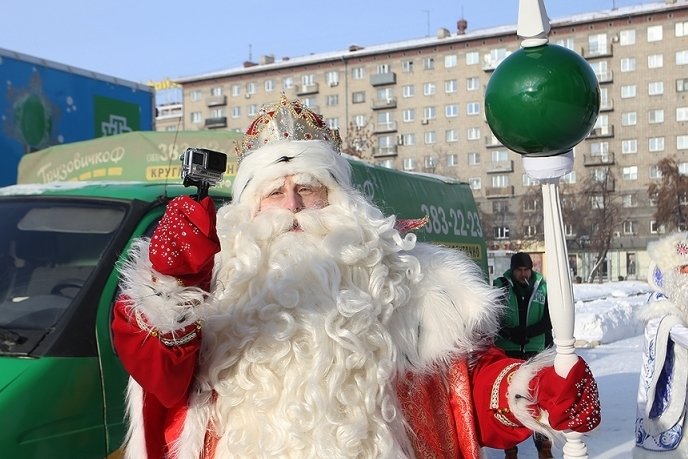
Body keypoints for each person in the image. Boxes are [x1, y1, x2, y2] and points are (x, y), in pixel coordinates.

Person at [111, 95, 600, 459]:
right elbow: (160, 377)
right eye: (273, 193)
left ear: (343, 201)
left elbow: (466, 384)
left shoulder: (408, 280)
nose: (292, 206)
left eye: (308, 188)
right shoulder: (212, 283)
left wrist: (530, 391)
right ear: (245, 209)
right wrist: (170, 283)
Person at [493, 252, 553, 459]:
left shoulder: (542, 287)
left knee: (538, 399)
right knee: (507, 402)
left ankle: (543, 446)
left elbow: (550, 318)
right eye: (519, 270)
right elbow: (493, 317)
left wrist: (530, 333)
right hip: (507, 351)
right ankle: (510, 448)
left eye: (526, 269)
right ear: (512, 269)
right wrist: (510, 332)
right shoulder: (501, 285)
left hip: (534, 349)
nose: (523, 274)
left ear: (531, 269)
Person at [634, 231, 688, 458]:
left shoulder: (682, 303)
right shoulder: (660, 307)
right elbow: (680, 334)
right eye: (684, 270)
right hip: (670, 393)